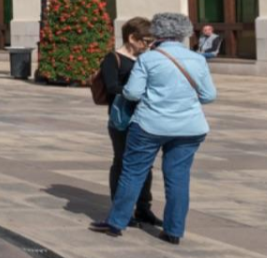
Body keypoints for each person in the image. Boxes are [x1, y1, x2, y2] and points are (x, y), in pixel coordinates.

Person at [92, 12, 217, 244]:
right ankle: (174, 232)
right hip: (189, 127)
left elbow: (132, 93)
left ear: (157, 33)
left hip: (150, 125)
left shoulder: (148, 59)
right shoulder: (197, 59)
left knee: (133, 172)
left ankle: (117, 223)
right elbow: (209, 95)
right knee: (179, 178)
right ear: (184, 33)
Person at [98, 18, 161, 228]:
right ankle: (120, 208)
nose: (148, 45)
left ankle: (144, 208)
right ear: (132, 38)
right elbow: (111, 87)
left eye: (152, 41)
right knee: (122, 162)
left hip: (145, 117)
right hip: (122, 119)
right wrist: (134, 91)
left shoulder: (147, 58)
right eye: (145, 41)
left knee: (145, 164)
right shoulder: (113, 58)